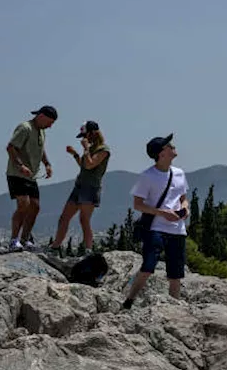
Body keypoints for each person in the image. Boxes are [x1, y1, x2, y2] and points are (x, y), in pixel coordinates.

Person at [122, 135, 189, 309]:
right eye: (168, 145)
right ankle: (129, 300)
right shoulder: (147, 176)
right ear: (161, 153)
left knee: (176, 272)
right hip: (156, 227)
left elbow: (183, 197)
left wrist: (185, 208)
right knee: (148, 266)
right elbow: (137, 204)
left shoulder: (179, 173)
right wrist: (162, 213)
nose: (173, 146)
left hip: (178, 228)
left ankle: (175, 306)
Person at [50, 121, 110, 256]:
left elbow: (90, 165)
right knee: (64, 217)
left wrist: (86, 148)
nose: (84, 138)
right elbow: (83, 165)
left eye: (86, 135)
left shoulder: (103, 150)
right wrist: (75, 154)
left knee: (84, 219)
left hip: (90, 187)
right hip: (79, 185)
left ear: (93, 133)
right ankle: (55, 247)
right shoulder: (92, 148)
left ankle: (88, 250)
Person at [6, 105, 57, 250]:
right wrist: (21, 165)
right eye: (50, 122)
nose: (50, 126)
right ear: (41, 116)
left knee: (35, 207)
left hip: (31, 176)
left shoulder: (41, 132)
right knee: (23, 204)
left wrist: (47, 164)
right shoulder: (25, 128)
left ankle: (25, 239)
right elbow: (11, 147)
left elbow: (41, 149)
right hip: (17, 173)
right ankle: (13, 240)